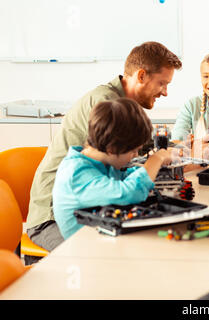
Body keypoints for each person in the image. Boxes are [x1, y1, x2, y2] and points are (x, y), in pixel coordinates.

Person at [26, 42, 182, 263]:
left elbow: (141, 149)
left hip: (90, 206)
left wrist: (178, 150)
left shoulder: (123, 106)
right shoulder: (108, 103)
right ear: (142, 75)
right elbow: (143, 153)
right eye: (162, 83)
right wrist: (167, 155)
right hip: (51, 217)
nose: (165, 92)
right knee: (107, 259)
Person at [53, 98, 177, 240]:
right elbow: (128, 193)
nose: (135, 155)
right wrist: (155, 159)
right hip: (84, 249)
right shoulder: (75, 173)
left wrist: (159, 168)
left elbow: (128, 175)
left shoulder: (100, 163)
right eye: (133, 151)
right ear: (112, 148)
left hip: (105, 238)